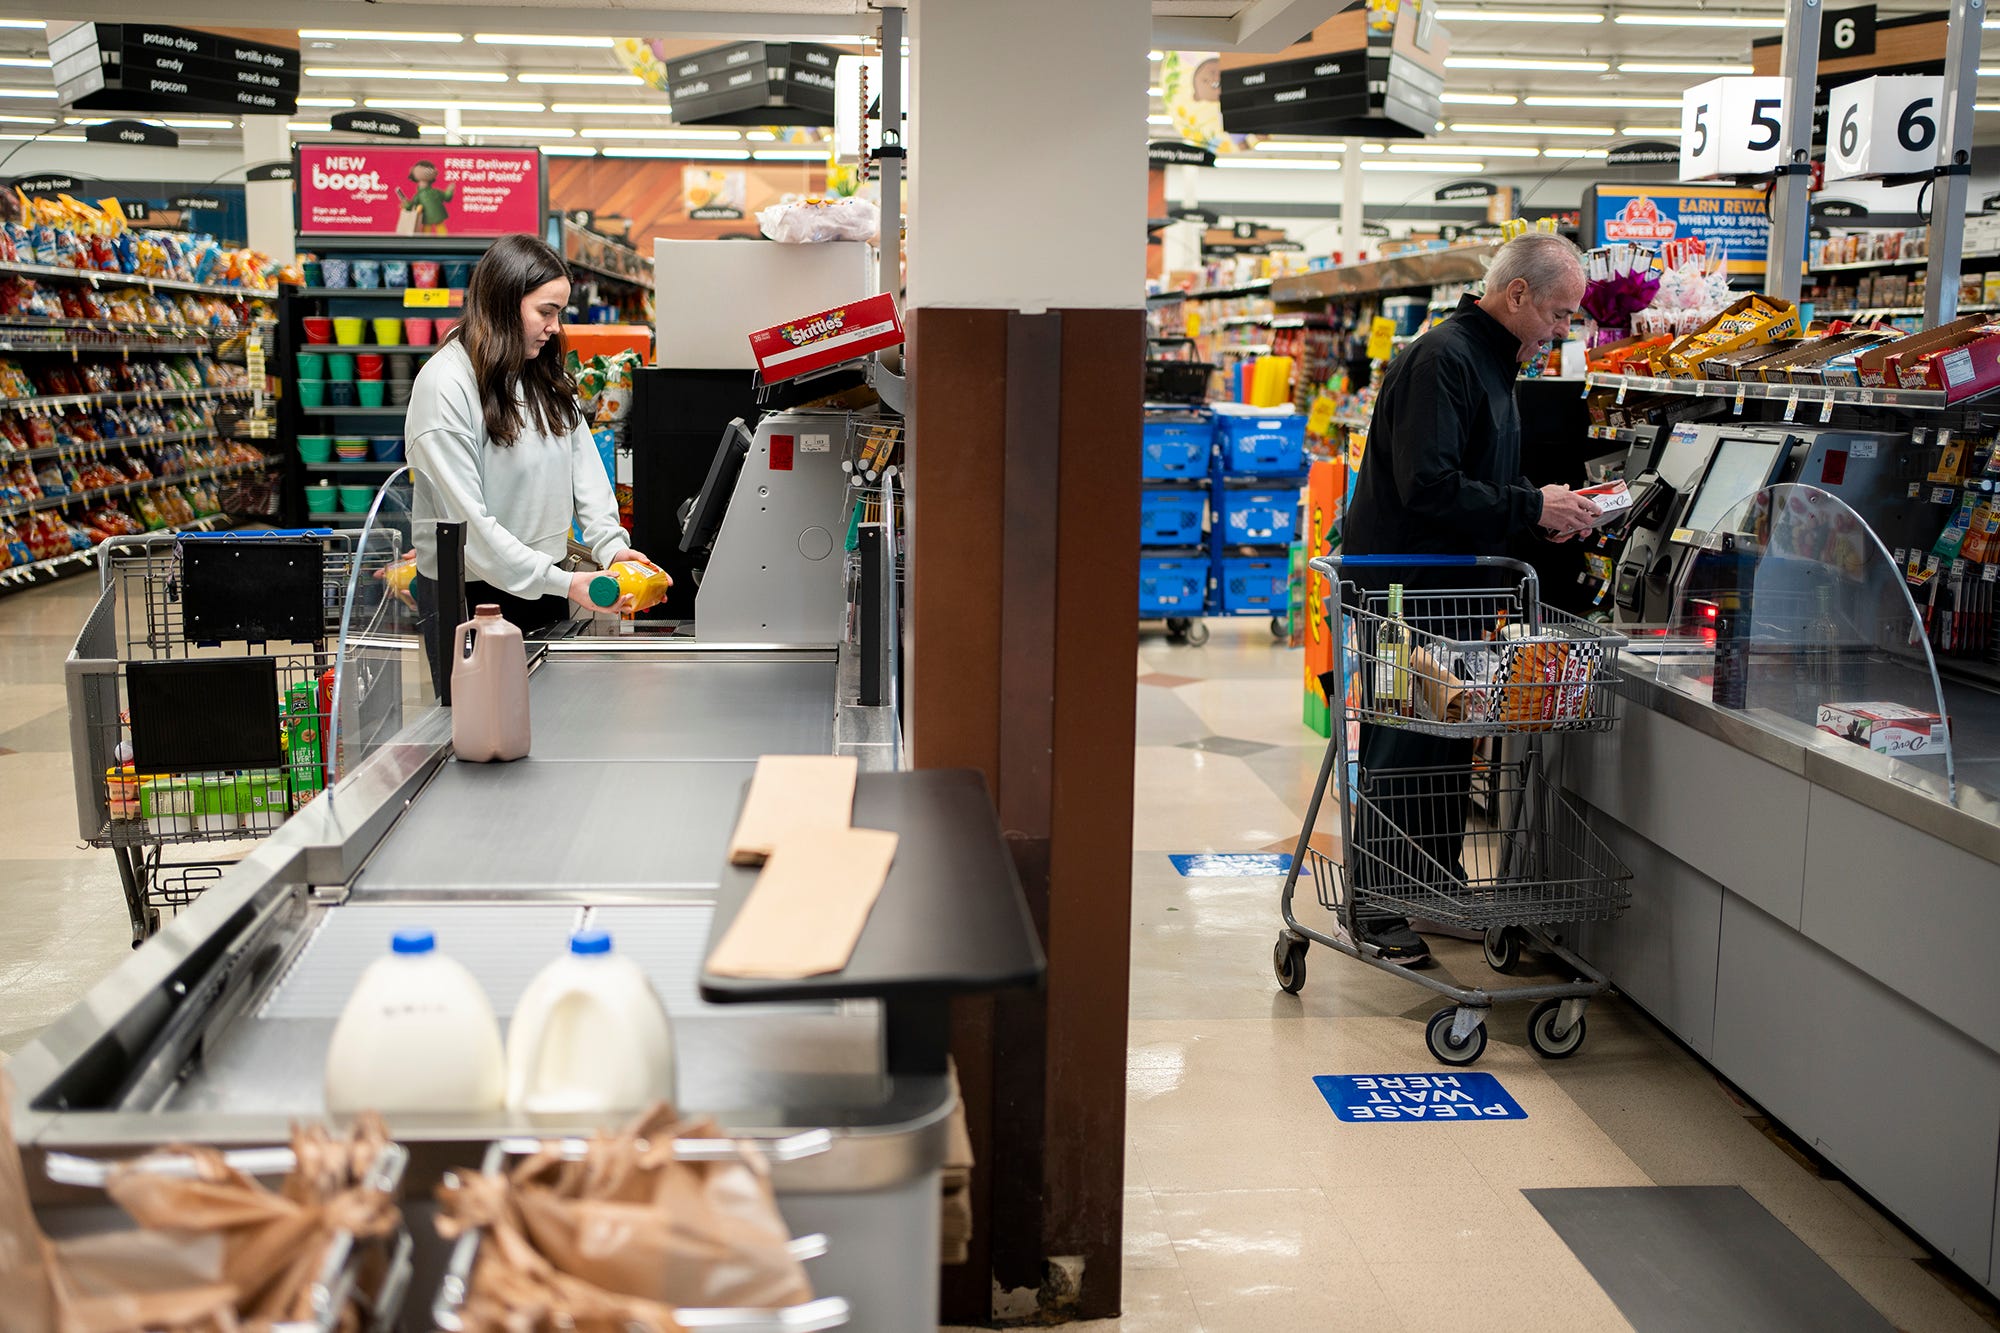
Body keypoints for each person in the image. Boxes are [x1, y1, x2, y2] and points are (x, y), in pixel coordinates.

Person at [1336, 231, 1600, 966]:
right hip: (1397, 591)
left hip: (1448, 593)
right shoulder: (1442, 359)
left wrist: (1547, 514)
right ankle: (1375, 907)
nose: (1561, 329)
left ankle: (1429, 881)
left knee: (1443, 743)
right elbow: (1430, 486)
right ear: (1516, 294)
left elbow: (1480, 484)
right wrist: (1529, 504)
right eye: (1557, 312)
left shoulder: (1493, 363)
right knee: (1396, 734)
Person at [405, 233, 660, 689]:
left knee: (541, 722)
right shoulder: (445, 387)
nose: (555, 327)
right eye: (546, 311)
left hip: (543, 583)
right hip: (470, 596)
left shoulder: (542, 373)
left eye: (558, 313)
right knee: (482, 733)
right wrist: (565, 584)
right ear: (503, 303)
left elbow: (583, 468)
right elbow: (470, 532)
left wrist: (610, 546)